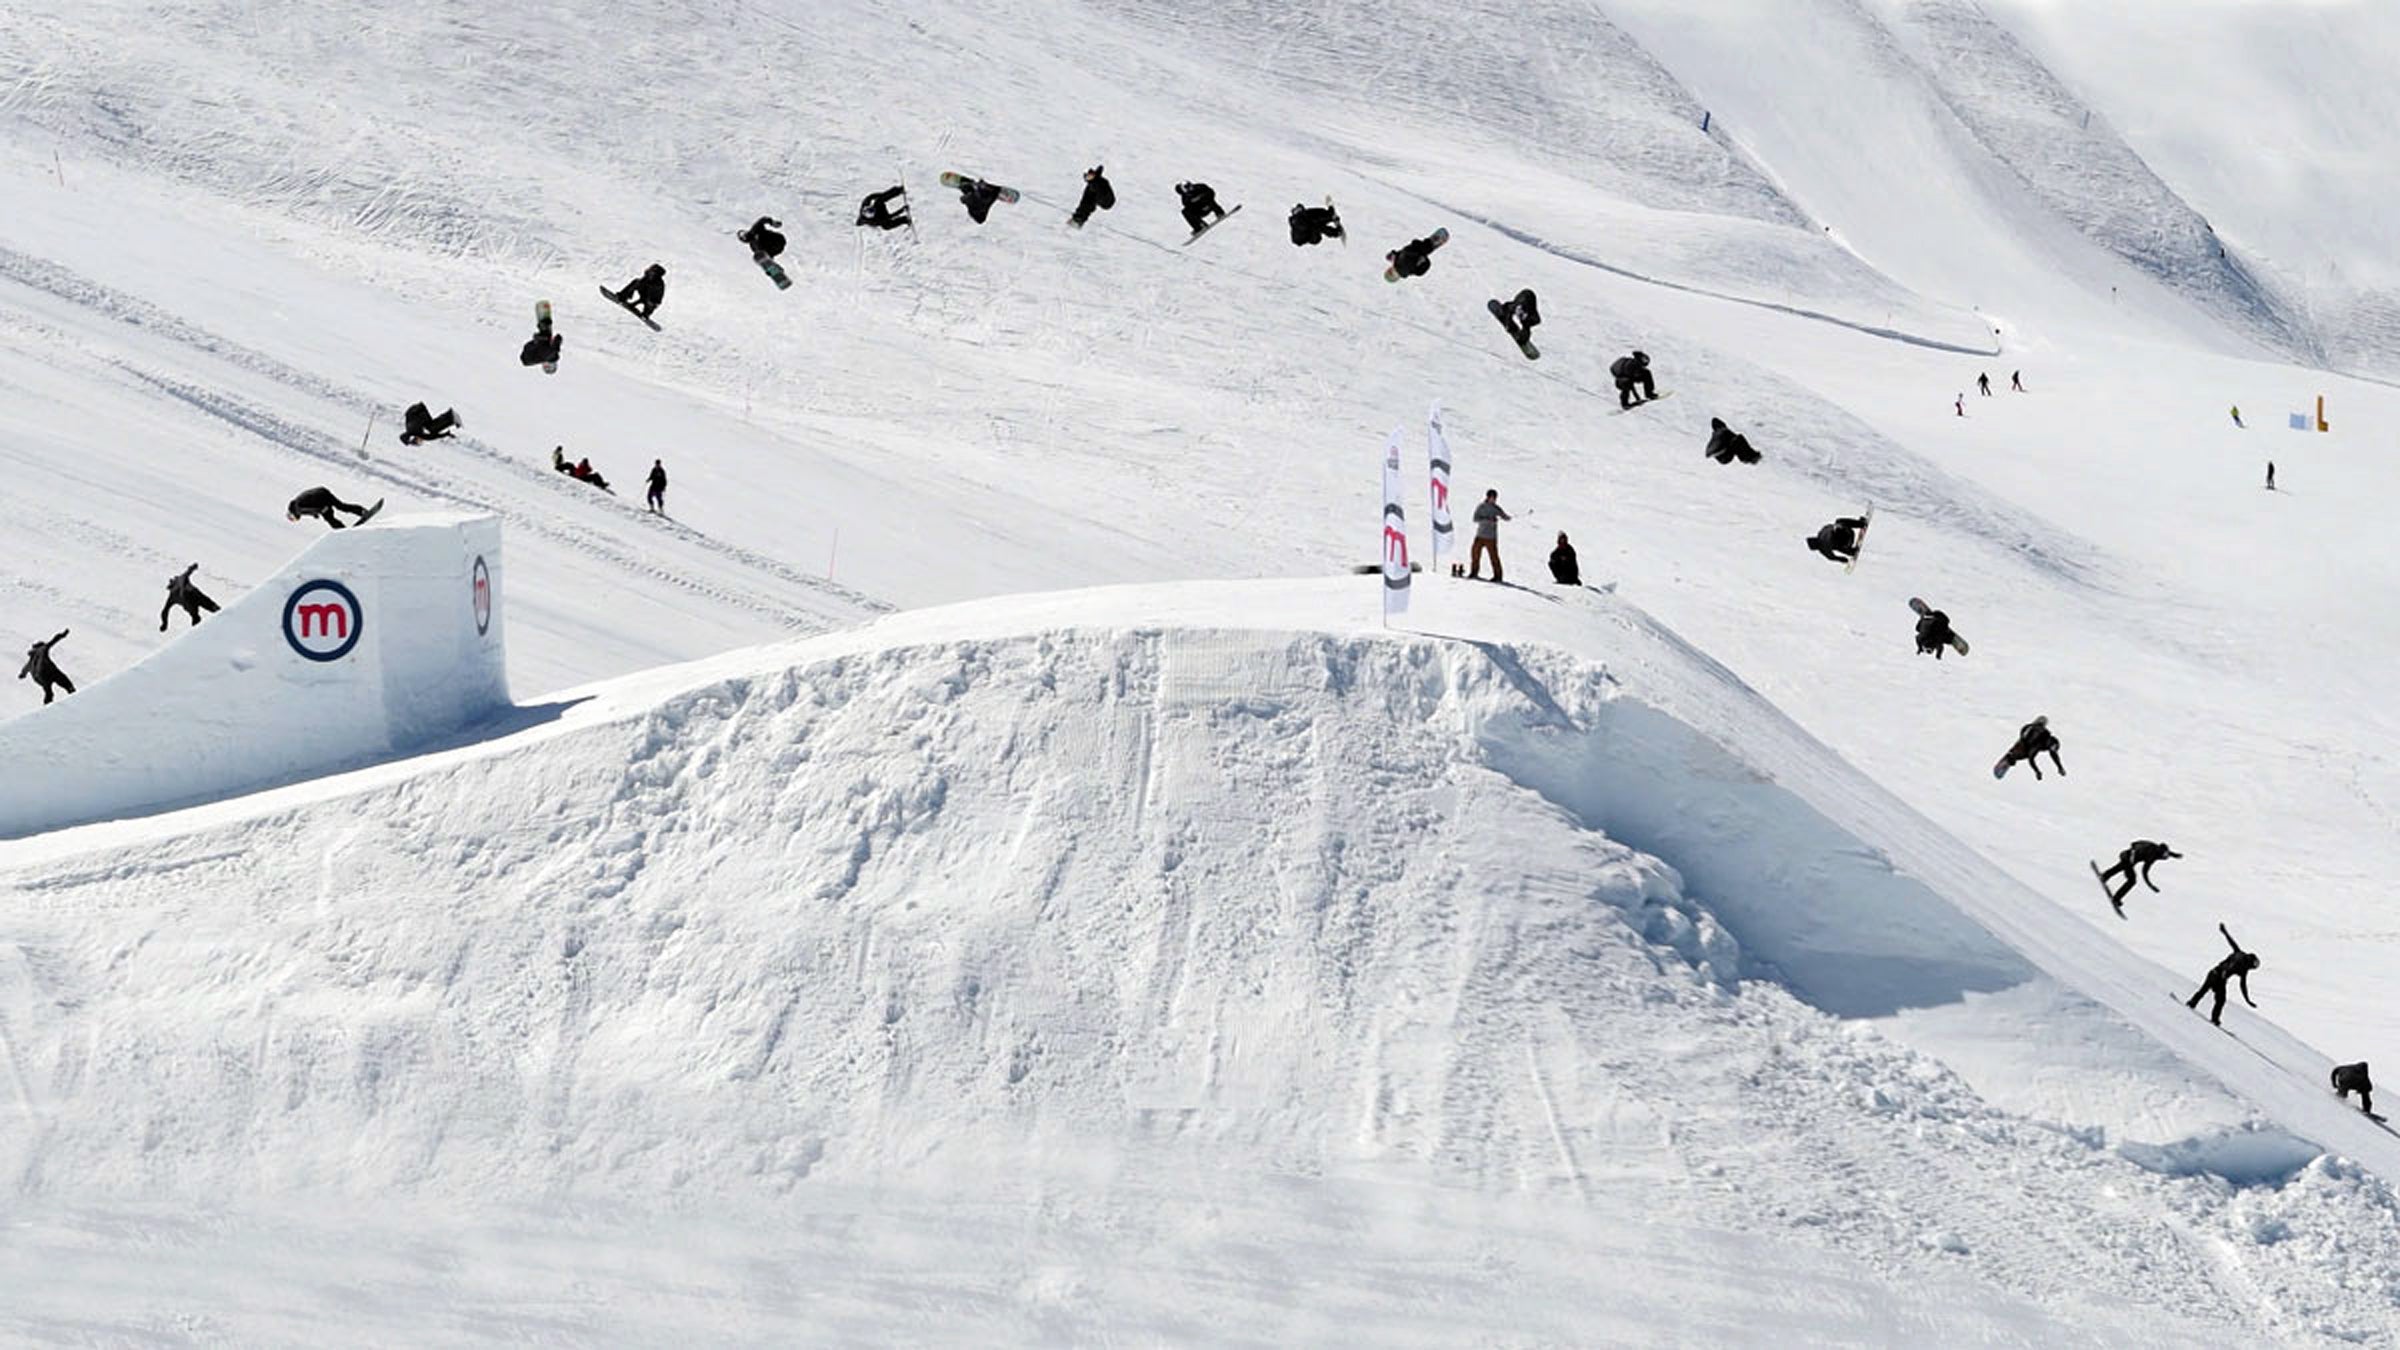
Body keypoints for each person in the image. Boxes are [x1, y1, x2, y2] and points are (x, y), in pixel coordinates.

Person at [2185, 923, 2259, 1026]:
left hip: (2217, 975)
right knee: (2213, 995)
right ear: (2250, 962)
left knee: (2213, 995)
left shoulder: (2242, 962)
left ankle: (2195, 1004)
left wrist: (2247, 1000)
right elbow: (2232, 968)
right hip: (2217, 975)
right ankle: (2203, 1011)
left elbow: (2243, 985)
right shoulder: (2241, 961)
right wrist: (2247, 1000)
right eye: (2253, 966)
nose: (2251, 969)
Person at [2097, 840, 2182, 907]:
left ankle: (2104, 876)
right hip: (2128, 859)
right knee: (2132, 880)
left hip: (2125, 855)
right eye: (2165, 855)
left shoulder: (2153, 845)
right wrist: (2150, 885)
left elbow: (2134, 843)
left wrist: (2174, 855)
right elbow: (2144, 872)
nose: (2166, 856)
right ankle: (2116, 899)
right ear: (2160, 853)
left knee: (2121, 867)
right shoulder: (2151, 857)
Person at [1996, 715, 2064, 779]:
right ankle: (2011, 757)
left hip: (2028, 734)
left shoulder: (2048, 739)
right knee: (2024, 753)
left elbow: (2054, 755)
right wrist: (2037, 771)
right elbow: (2031, 759)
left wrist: (2060, 767)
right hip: (2027, 741)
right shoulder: (2039, 745)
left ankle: (2012, 756)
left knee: (2024, 751)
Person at [159, 563, 219, 631]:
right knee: (198, 613)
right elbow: (165, 611)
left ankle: (212, 611)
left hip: (195, 600)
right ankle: (198, 623)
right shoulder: (173, 594)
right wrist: (164, 624)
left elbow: (165, 611)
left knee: (199, 612)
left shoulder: (173, 595)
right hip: (195, 600)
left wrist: (164, 624)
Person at [18, 630, 72, 705]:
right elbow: (53, 641)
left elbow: (24, 670)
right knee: (63, 679)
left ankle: (47, 703)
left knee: (48, 691)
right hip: (49, 671)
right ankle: (71, 689)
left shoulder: (30, 661)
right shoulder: (42, 649)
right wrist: (62, 635)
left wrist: (22, 675)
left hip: (40, 678)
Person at [287, 486, 374, 530]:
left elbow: (309, 509)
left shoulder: (297, 509)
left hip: (321, 499)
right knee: (341, 506)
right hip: (323, 492)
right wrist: (316, 513)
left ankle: (342, 531)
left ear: (292, 513)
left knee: (329, 518)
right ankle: (361, 511)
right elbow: (309, 504)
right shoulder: (297, 501)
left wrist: (319, 511)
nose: (295, 519)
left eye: (293, 518)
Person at [1470, 489, 1510, 582]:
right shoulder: (1481, 507)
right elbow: (1475, 519)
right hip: (1480, 535)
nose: (1493, 499)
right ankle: (1474, 572)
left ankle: (1498, 576)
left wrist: (1506, 517)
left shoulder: (1496, 508)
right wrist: (1487, 520)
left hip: (1491, 537)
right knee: (1475, 554)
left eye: (1495, 498)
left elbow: (1504, 516)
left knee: (1494, 557)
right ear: (1487, 497)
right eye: (1492, 497)